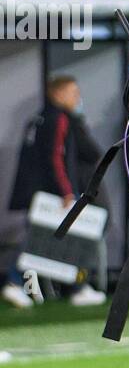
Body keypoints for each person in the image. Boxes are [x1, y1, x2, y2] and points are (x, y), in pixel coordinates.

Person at [3, 73, 105, 310]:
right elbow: (55, 157)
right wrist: (66, 191)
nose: (77, 98)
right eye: (73, 93)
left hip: (36, 189)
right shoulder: (59, 118)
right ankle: (16, 282)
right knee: (47, 239)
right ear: (58, 93)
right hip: (52, 192)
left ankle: (77, 287)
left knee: (53, 239)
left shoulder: (39, 118)